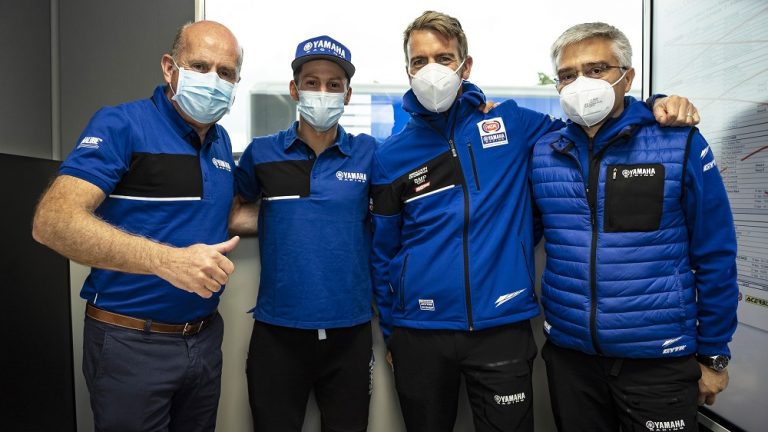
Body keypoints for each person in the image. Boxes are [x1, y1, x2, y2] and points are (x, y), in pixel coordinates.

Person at [369, 10, 699, 432]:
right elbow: (383, 249)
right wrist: (393, 331)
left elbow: (593, 122)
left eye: (444, 58)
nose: (432, 71)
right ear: (408, 70)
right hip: (418, 331)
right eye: (420, 61)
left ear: (465, 66)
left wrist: (657, 105)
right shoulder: (390, 155)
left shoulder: (515, 124)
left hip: (503, 327)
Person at [32, 20, 242, 432]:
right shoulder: (121, 125)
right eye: (200, 66)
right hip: (131, 344)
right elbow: (53, 222)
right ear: (169, 68)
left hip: (203, 340)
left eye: (226, 72)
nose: (213, 81)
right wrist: (167, 261)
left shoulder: (221, 142)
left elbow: (223, 213)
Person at [532, 22, 737, 432]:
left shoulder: (679, 142)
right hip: (571, 359)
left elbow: (715, 252)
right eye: (568, 75)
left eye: (596, 69)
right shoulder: (544, 151)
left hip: (658, 360)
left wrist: (714, 355)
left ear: (627, 77)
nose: (581, 83)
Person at [230, 35, 375, 432]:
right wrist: (281, 217)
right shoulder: (261, 153)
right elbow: (234, 211)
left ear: (347, 95)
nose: (322, 92)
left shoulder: (369, 153)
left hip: (350, 331)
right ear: (295, 90)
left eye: (333, 84)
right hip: (278, 331)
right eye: (312, 82)